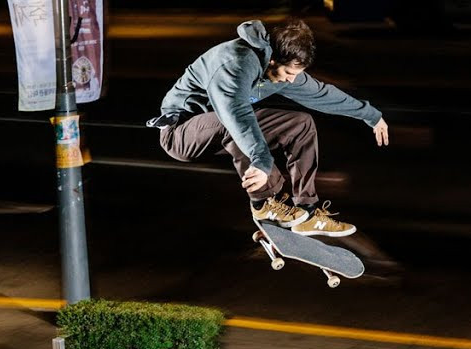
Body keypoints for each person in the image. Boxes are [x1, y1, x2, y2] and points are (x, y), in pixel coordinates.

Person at [147, 18, 388, 237]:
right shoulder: (236, 63)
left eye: (296, 74)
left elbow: (323, 94)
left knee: (301, 123)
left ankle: (307, 210)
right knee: (237, 124)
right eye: (288, 73)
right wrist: (261, 163)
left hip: (221, 127)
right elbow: (236, 115)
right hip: (181, 132)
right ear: (272, 58)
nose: (291, 80)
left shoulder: (282, 70)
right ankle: (263, 203)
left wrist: (371, 115)